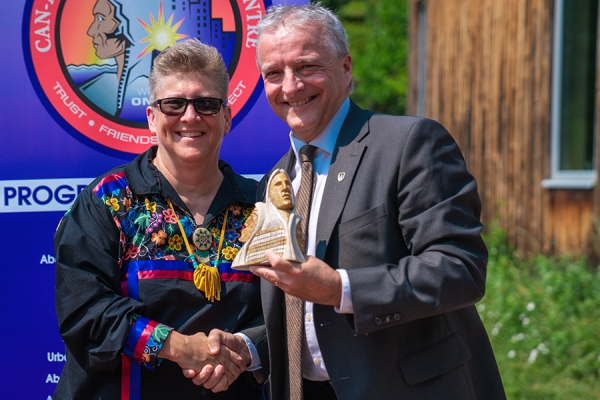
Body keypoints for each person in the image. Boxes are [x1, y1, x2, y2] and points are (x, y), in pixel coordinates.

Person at [210, 3, 507, 399]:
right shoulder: (275, 181)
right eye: (274, 74)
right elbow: (307, 315)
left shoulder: (409, 144)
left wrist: (340, 288)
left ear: (346, 68)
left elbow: (459, 269)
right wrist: (250, 348)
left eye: (307, 66)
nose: (291, 86)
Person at [53, 38, 264, 399]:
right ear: (151, 117)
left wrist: (244, 348)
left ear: (227, 117)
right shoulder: (108, 200)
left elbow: (292, 310)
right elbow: (83, 312)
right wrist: (179, 346)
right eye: (173, 104)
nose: (190, 116)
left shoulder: (261, 208)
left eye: (206, 104)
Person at [232, 169, 304, 269]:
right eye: (278, 184)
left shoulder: (296, 221)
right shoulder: (260, 212)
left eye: (287, 184)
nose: (285, 188)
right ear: (269, 193)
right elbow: (244, 236)